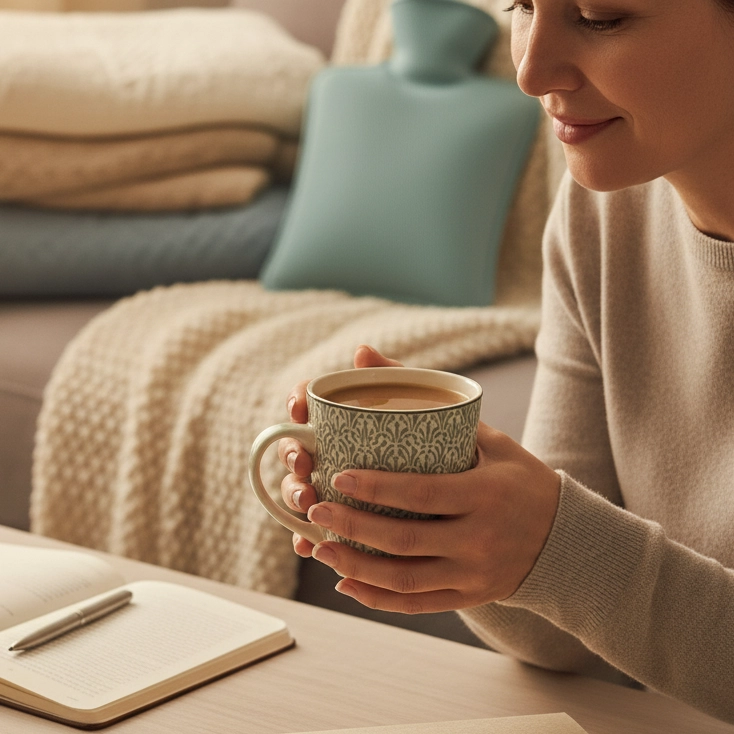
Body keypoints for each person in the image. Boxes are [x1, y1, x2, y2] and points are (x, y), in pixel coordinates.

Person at [277, 0, 734, 724]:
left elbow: (581, 565)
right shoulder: (600, 213)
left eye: (600, 16)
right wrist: (464, 515)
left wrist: (558, 546)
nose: (529, 71)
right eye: (522, 4)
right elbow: (560, 636)